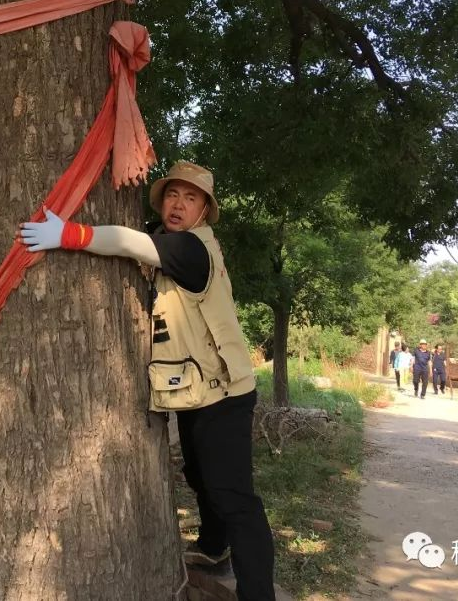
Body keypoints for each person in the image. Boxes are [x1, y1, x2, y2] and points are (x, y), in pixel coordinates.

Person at [20, 160, 276, 601]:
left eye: (190, 198)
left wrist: (70, 235)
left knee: (235, 498)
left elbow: (127, 242)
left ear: (203, 212)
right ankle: (215, 551)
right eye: (172, 195)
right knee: (199, 474)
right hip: (198, 389)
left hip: (226, 393)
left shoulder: (192, 249)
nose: (178, 204)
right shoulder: (167, 237)